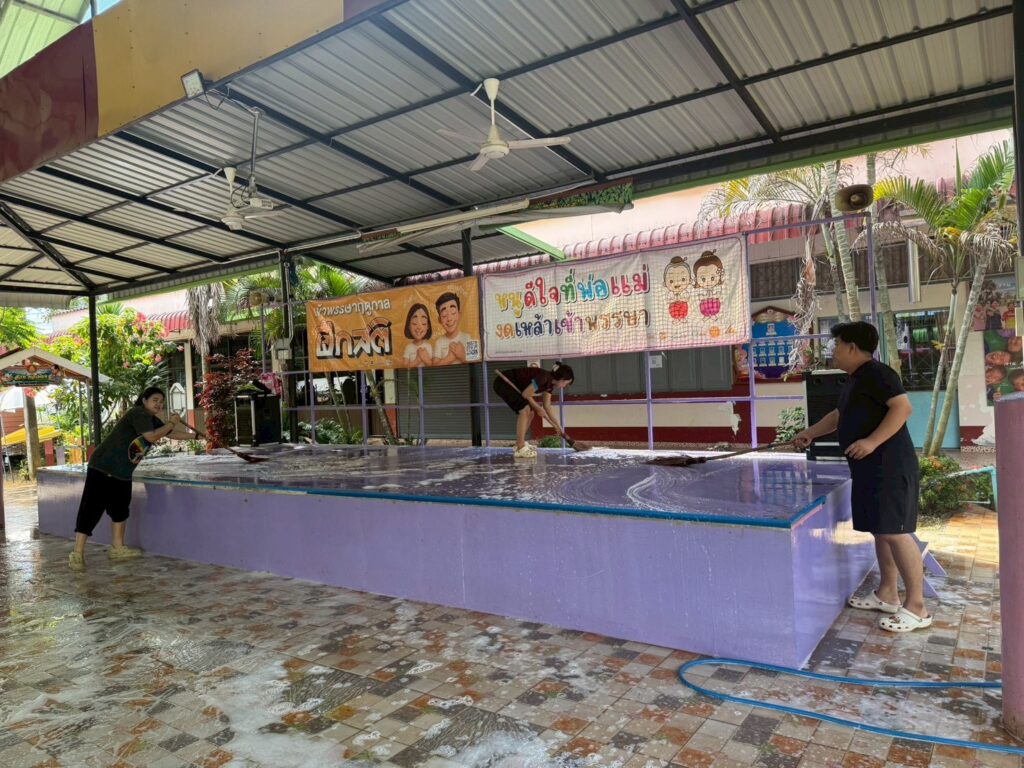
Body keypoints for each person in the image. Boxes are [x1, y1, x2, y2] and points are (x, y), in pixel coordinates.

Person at [794, 321, 929, 633]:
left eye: (836, 345)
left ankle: (917, 607)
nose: (832, 351)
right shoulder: (856, 379)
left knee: (897, 532)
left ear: (852, 347)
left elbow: (902, 408)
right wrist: (810, 433)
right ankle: (888, 593)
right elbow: (839, 416)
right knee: (881, 531)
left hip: (890, 467)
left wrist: (871, 442)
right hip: (869, 469)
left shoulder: (879, 374)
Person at [69, 387, 192, 571]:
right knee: (91, 509)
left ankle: (117, 548)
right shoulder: (138, 413)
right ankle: (77, 553)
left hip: (123, 471)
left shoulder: (151, 419)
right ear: (144, 400)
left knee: (120, 509)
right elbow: (152, 436)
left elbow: (169, 433)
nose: (159, 404)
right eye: (155, 400)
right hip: (104, 466)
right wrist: (171, 422)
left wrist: (195, 436)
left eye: (161, 402)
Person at [493, 362, 585, 459]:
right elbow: (526, 394)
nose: (565, 386)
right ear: (562, 379)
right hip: (503, 382)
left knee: (531, 413)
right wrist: (538, 408)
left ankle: (519, 443)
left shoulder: (549, 385)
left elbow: (547, 406)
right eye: (566, 383)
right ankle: (520, 447)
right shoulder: (543, 378)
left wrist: (558, 426)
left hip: (511, 385)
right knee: (525, 410)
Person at [432, 292, 478, 365]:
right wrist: (449, 358)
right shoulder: (439, 342)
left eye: (453, 313)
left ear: (459, 315)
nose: (449, 318)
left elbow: (476, 362)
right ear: (439, 319)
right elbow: (434, 365)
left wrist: (462, 356)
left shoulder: (469, 337)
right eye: (444, 315)